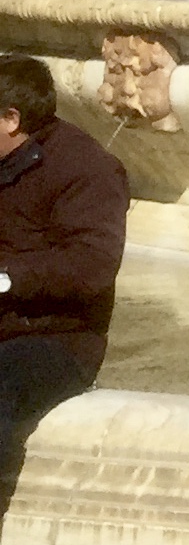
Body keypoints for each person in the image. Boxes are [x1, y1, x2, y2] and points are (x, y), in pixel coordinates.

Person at [0, 56, 129, 447]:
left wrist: (6, 278)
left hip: (56, 340)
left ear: (10, 119)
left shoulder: (88, 170)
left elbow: (92, 266)